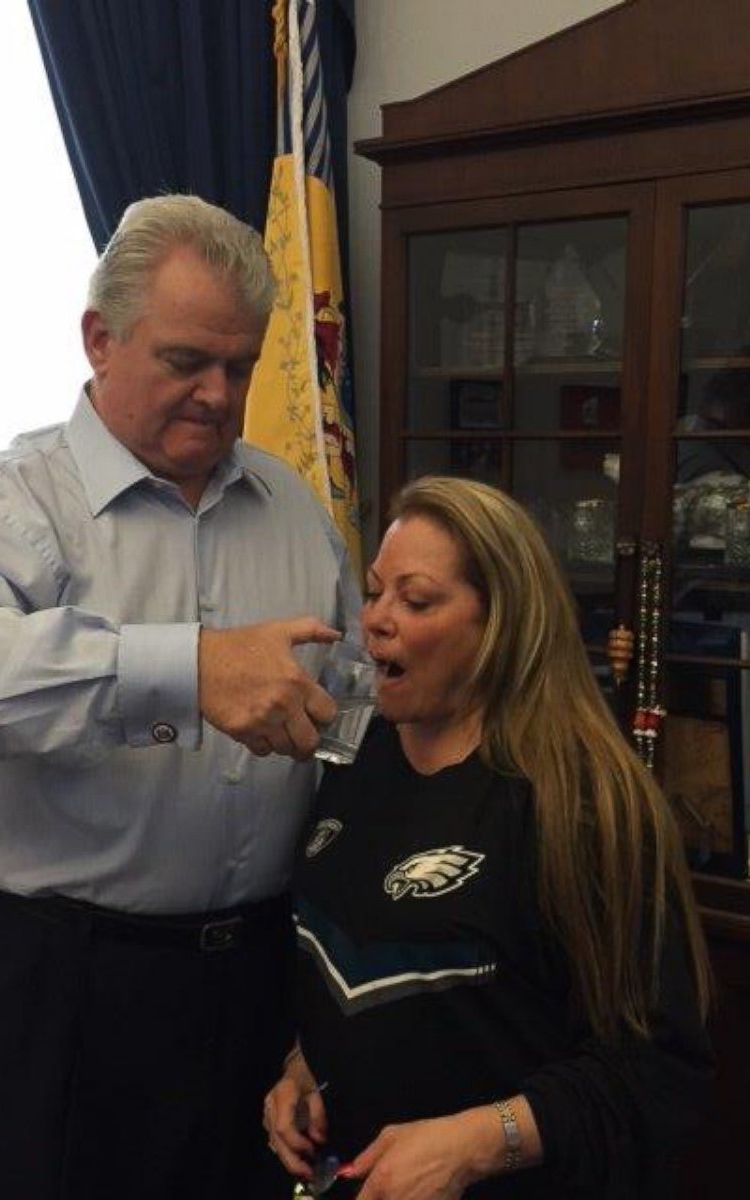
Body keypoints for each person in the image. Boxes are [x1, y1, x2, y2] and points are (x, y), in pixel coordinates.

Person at [0, 194, 360, 1200]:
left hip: (262, 977)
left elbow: (354, 714)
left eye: (242, 365)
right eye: (186, 362)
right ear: (100, 339)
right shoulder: (11, 502)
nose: (220, 397)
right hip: (65, 984)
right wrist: (184, 668)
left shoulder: (295, 512)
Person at [264, 476, 715, 1199]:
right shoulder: (356, 754)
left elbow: (656, 1071)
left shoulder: (583, 799)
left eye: (415, 601)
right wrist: (300, 1069)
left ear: (501, 622)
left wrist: (475, 1144)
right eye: (374, 592)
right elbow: (353, 971)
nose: (376, 620)